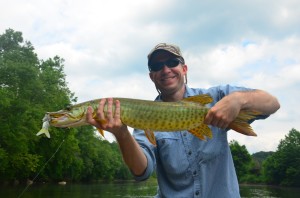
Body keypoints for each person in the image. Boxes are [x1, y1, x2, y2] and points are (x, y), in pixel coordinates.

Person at [86, 43, 280, 197]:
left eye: (172, 62)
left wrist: (238, 99)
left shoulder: (216, 96)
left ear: (184, 68)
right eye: (157, 66)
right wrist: (121, 133)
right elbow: (141, 172)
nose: (165, 69)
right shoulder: (144, 119)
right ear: (151, 76)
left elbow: (272, 104)